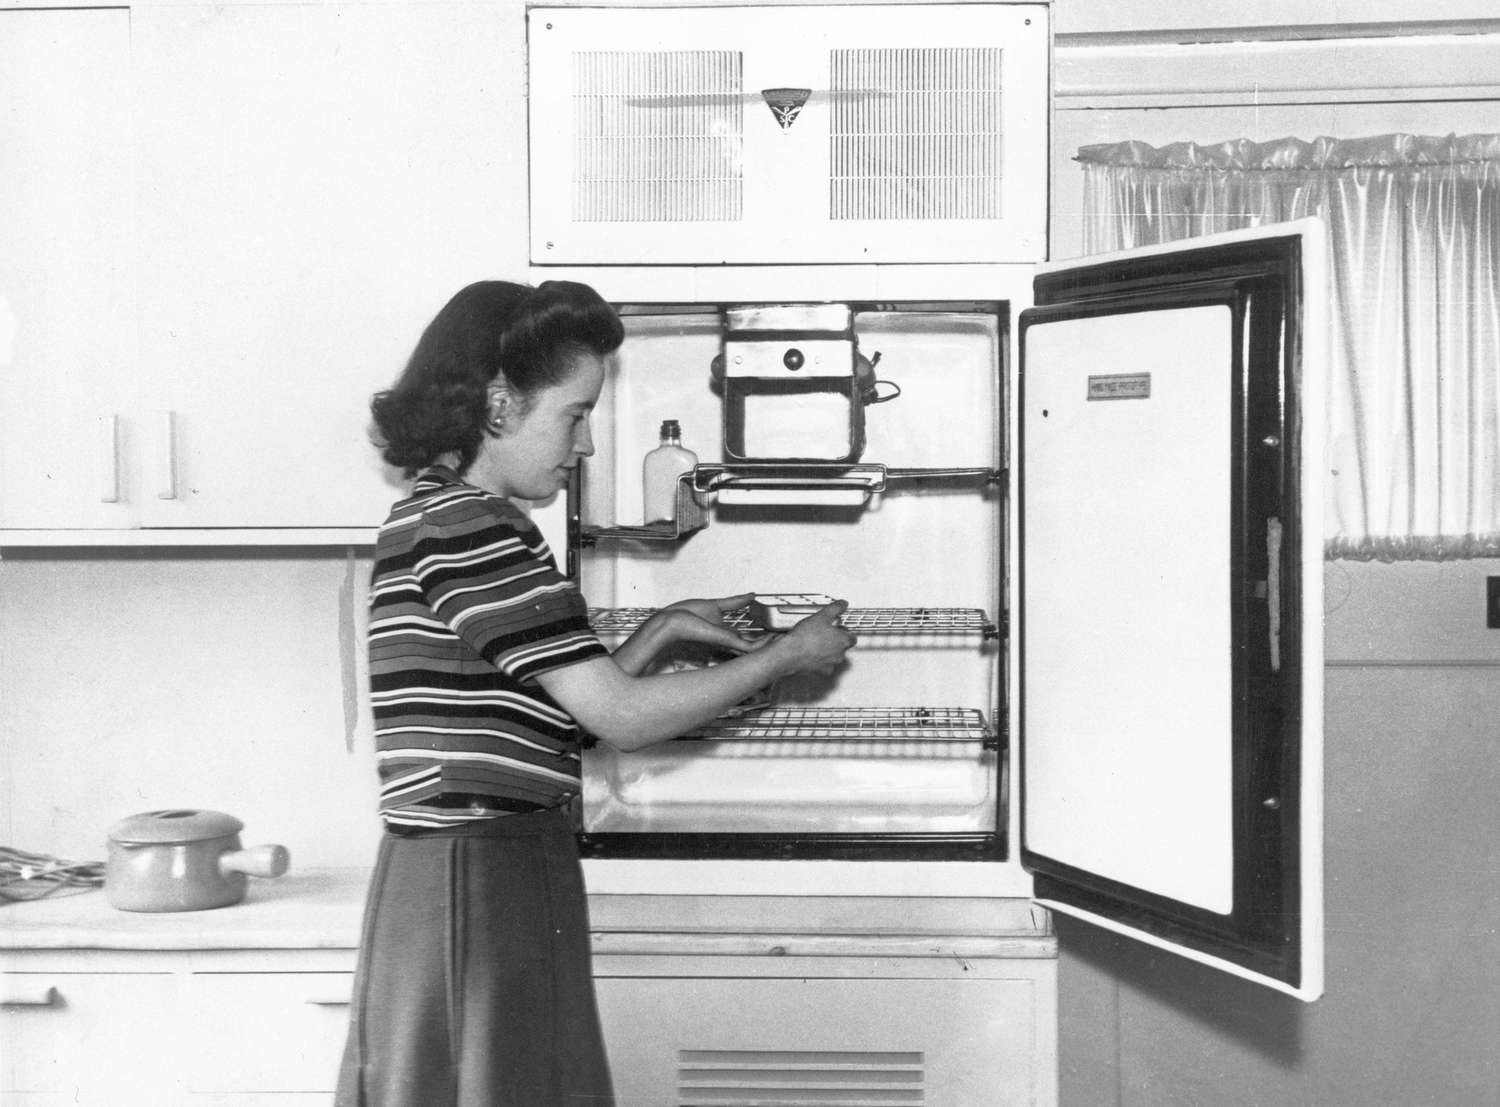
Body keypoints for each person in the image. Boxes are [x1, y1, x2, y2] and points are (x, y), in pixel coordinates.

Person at [335, 279, 856, 1107]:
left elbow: (542, 718)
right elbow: (617, 717)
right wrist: (785, 656)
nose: (580, 447)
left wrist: (663, 629)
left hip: (457, 878)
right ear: (500, 406)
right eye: (575, 415)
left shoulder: (430, 517)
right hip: (481, 883)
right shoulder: (475, 527)